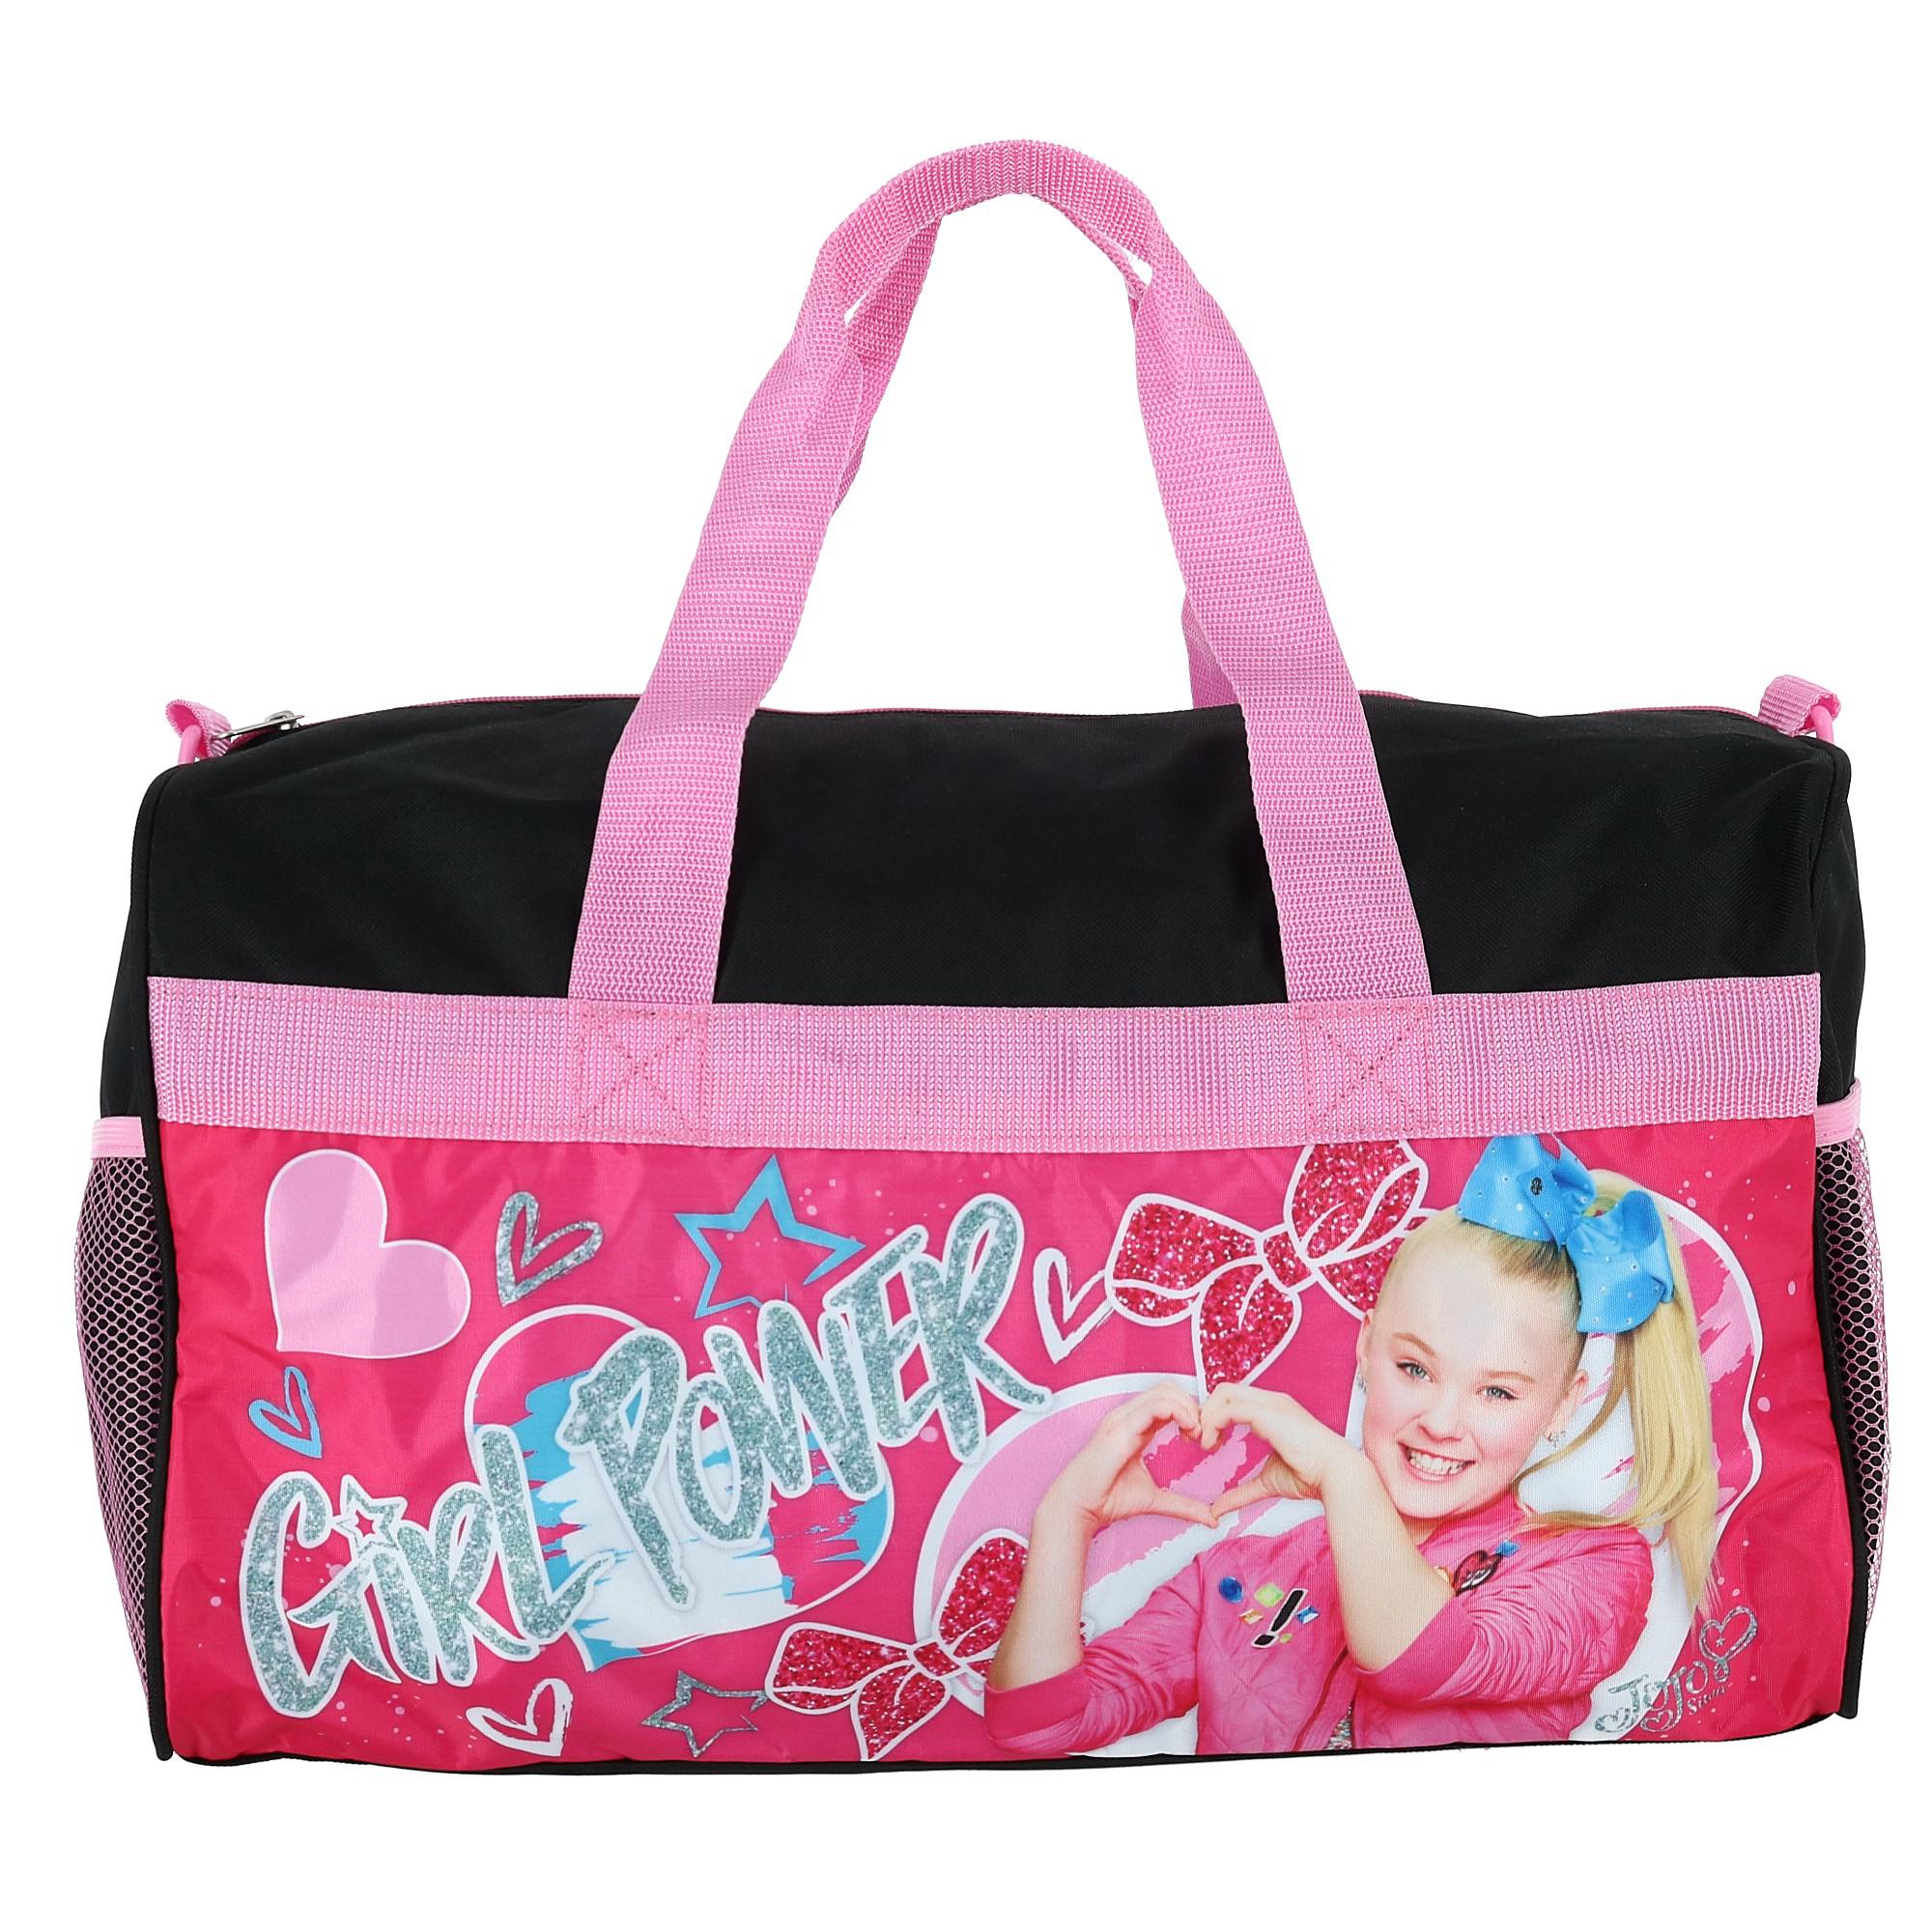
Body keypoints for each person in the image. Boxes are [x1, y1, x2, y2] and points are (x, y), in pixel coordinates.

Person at [985, 1134, 1717, 1752]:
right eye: (1414, 1369)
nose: (1442, 1423)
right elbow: (1037, 1728)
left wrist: (1345, 1476)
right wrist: (1066, 1519)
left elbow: (1415, 1663)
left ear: (1561, 1405)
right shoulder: (1238, 1573)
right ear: (1366, 1349)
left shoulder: (1592, 1565)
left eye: (1498, 1392)